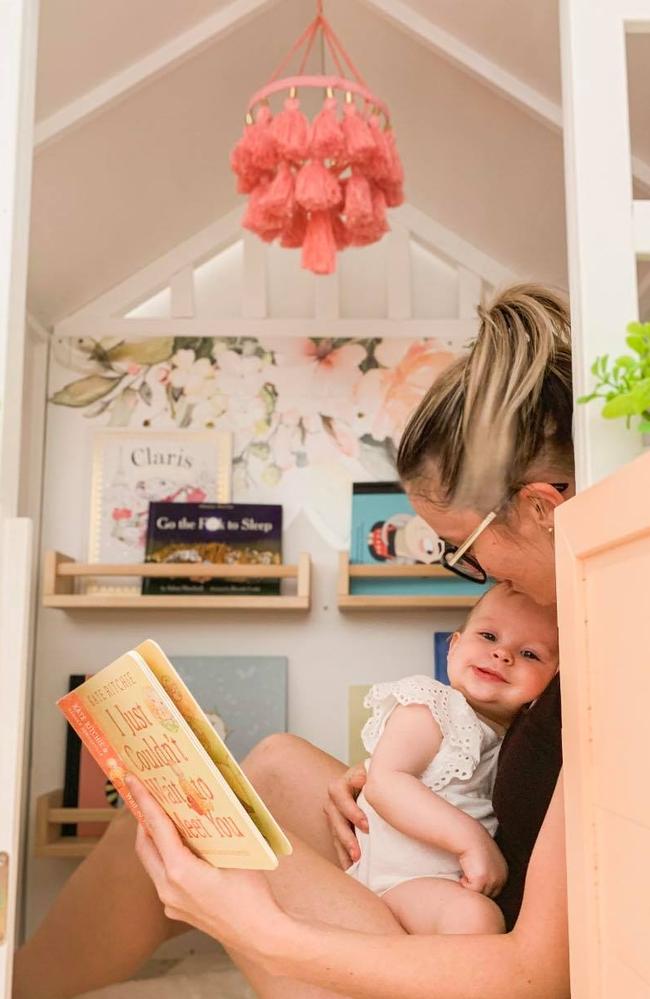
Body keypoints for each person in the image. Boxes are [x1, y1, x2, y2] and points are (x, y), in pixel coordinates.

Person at [14, 283, 573, 999]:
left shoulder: (614, 653)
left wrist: (264, 934)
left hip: (478, 949)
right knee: (267, 764)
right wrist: (390, 785)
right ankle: (20, 982)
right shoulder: (577, 614)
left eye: (465, 551)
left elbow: (537, 974)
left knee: (176, 830)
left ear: (541, 509)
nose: (480, 577)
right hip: (450, 882)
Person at [346, 583, 559, 936]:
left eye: (530, 654)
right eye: (489, 636)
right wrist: (472, 842)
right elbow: (386, 782)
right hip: (390, 880)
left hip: (435, 888)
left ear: (553, 682)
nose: (502, 655)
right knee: (475, 918)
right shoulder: (433, 706)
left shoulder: (521, 742)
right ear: (454, 646)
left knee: (474, 919)